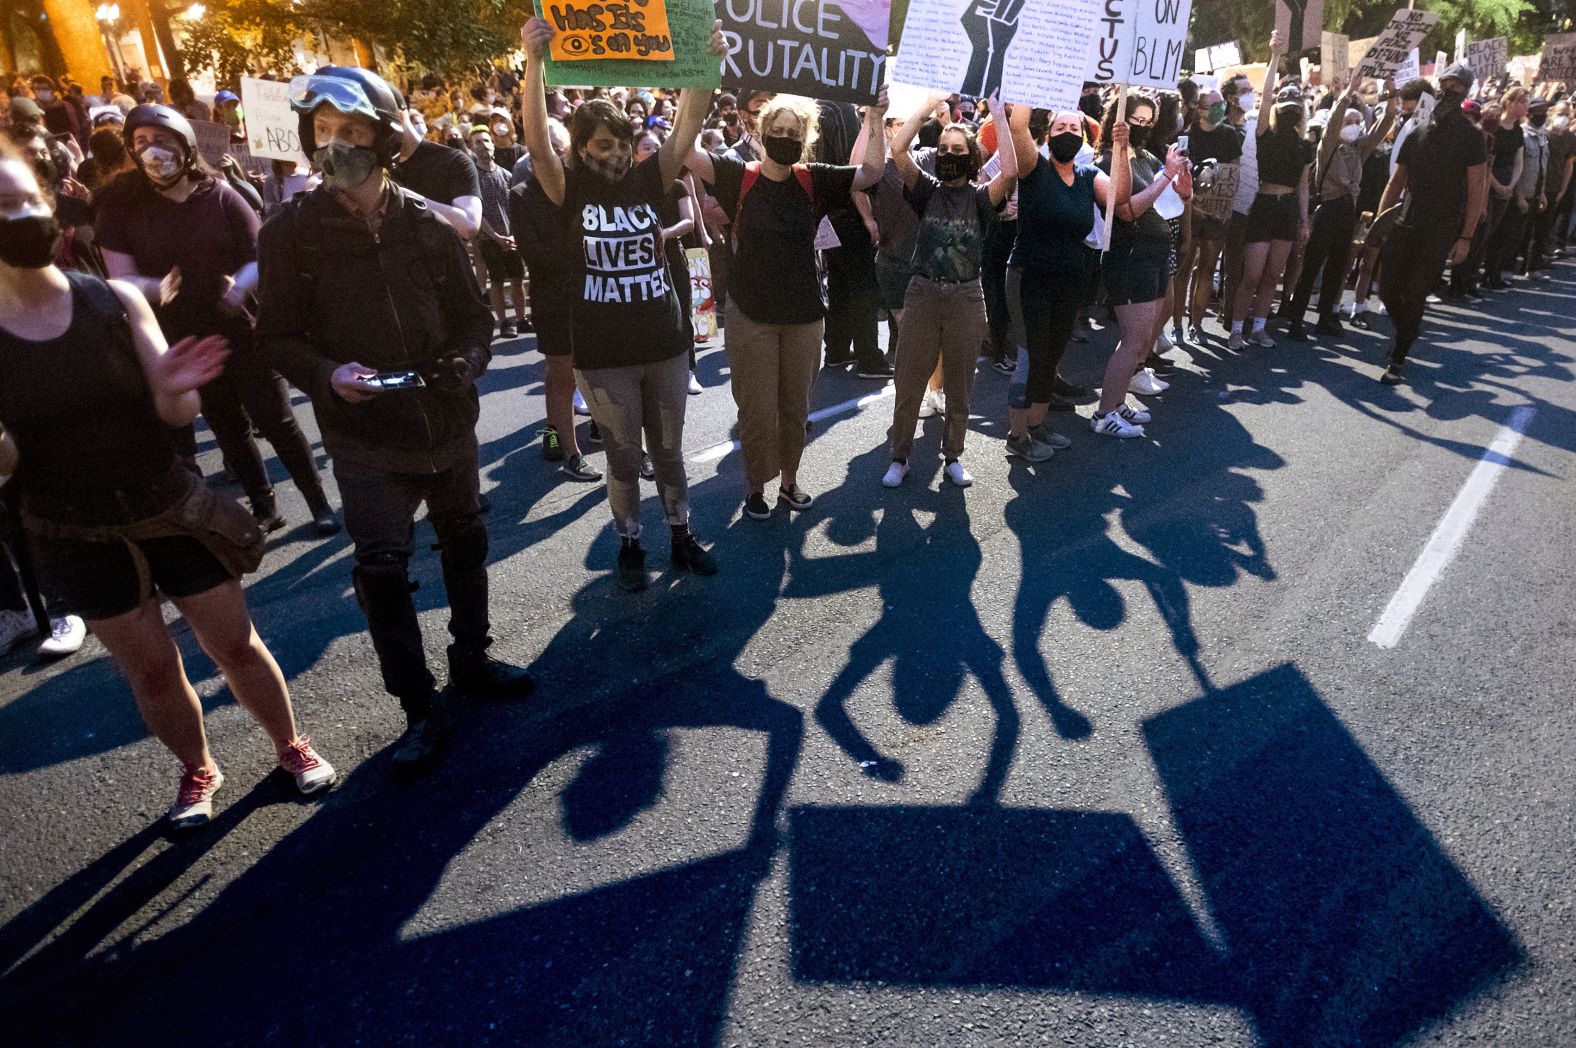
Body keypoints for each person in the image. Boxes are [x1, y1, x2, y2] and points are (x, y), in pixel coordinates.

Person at [0, 141, 336, 828]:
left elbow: (174, 410)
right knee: (151, 669)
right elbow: (6, 464)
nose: (22, 215)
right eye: (4, 207)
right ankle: (197, 769)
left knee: (234, 644)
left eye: (27, 199)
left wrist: (181, 387)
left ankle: (290, 745)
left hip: (167, 504)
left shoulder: (116, 300)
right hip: (71, 528)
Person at [258, 65, 537, 780]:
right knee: (382, 573)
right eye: (322, 132)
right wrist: (327, 376)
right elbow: (279, 338)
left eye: (351, 131)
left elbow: (476, 318)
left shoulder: (427, 222)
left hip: (444, 420)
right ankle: (417, 708)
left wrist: (469, 361)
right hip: (364, 438)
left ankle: (471, 658)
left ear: (383, 138)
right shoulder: (288, 234)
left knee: (467, 540)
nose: (336, 146)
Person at [519, 16, 724, 591]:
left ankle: (682, 536)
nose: (616, 154)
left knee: (670, 452)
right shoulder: (570, 189)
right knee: (625, 457)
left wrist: (703, 65)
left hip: (664, 344)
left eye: (624, 144)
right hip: (604, 355)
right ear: (582, 150)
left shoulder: (650, 179)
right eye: (603, 145)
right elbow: (537, 147)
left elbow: (686, 126)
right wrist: (534, 64)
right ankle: (630, 542)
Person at [96, 104, 339, 535]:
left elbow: (262, 255)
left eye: (163, 140)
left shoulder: (222, 195)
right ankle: (263, 507)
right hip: (182, 339)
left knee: (277, 420)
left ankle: (316, 500)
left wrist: (242, 283)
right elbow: (120, 279)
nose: (153, 151)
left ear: (186, 147)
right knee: (228, 427)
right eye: (141, 143)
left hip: (244, 331)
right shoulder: (119, 207)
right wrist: (156, 288)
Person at [688, 88, 889, 519]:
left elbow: (871, 171)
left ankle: (790, 482)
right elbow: (684, 152)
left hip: (803, 315)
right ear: (761, 132)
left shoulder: (813, 178)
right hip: (751, 313)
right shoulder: (735, 175)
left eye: (792, 132)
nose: (784, 137)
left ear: (806, 137)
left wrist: (875, 115)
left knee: (795, 408)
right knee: (757, 410)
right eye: (776, 130)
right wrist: (696, 87)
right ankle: (755, 487)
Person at [880, 92, 1016, 490]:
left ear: (971, 156)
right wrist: (928, 105)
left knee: (960, 384)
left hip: (966, 298)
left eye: (958, 148)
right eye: (943, 148)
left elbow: (1009, 169)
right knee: (908, 382)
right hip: (922, 293)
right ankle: (899, 456)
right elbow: (898, 148)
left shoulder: (980, 197)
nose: (949, 153)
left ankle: (953, 457)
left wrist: (996, 112)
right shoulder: (926, 190)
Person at [1002, 106, 1123, 457]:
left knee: (1052, 356)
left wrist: (1123, 148)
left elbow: (1120, 198)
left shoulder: (1088, 176)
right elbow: (1017, 124)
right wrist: (1033, 77)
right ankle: (1017, 437)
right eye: (1060, 127)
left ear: (1083, 137)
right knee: (1031, 357)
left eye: (1075, 127)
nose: (1067, 132)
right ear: (1048, 135)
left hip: (1069, 280)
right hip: (1030, 277)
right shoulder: (1034, 168)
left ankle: (1037, 427)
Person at [1376, 63, 1488, 385]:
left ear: (1466, 93)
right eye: (1445, 84)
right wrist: (1380, 221)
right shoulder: (1418, 130)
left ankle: (1398, 359)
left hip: (1440, 229)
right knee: (1387, 289)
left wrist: (1465, 237)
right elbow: (1397, 181)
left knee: (1415, 293)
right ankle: (1409, 331)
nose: (1448, 91)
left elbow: (1477, 189)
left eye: (1456, 86)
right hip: (1405, 221)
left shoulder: (1472, 137)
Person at [1094, 93, 1181, 438]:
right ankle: (1103, 414)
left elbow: (1173, 197)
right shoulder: (1107, 160)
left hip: (1154, 254)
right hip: (1130, 258)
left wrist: (1178, 176)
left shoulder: (1144, 156)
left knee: (1141, 338)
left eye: (1148, 121)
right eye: (1136, 120)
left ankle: (1116, 404)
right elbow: (1127, 210)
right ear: (1119, 120)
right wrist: (1165, 178)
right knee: (1132, 341)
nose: (1142, 127)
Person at [1285, 76, 1394, 340]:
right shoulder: (1328, 147)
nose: (1354, 126)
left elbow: (1385, 124)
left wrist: (1391, 93)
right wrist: (1348, 93)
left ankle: (1325, 317)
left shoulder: (1359, 149)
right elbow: (1334, 122)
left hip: (1348, 213)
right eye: (1350, 121)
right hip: (1327, 210)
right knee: (1311, 267)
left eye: (1358, 122)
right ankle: (1296, 319)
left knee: (1337, 267)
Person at [1227, 33, 1310, 351]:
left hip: (1287, 210)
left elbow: (1303, 187)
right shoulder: (1264, 133)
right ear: (1279, 108)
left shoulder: (1306, 146)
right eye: (1285, 106)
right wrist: (1275, 57)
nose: (1290, 111)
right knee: (1251, 275)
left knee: (1272, 275)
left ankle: (1259, 328)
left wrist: (1304, 221)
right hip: (1263, 206)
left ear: (1301, 112)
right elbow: (1263, 102)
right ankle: (1237, 330)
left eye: (1295, 107)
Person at [1181, 87, 1243, 343]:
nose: (1219, 109)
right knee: (1183, 268)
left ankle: (1196, 324)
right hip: (1191, 211)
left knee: (1207, 267)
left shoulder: (1229, 134)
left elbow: (1234, 173)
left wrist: (1224, 205)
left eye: (1221, 104)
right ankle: (1176, 324)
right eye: (1213, 105)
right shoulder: (1186, 136)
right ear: (1200, 109)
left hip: (1217, 214)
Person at [467, 125, 527, 338]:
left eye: (486, 141)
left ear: (493, 144)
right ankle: (503, 322)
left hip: (511, 238)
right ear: (472, 148)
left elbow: (515, 206)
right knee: (498, 282)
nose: (483, 146)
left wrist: (513, 235)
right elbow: (477, 211)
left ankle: (521, 319)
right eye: (477, 143)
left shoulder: (506, 174)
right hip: (489, 239)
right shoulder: (472, 178)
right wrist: (495, 236)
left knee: (518, 279)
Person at [1481, 86, 1527, 290]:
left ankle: (1493, 273)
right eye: (1521, 101)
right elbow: (1485, 162)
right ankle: (1469, 278)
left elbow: (1519, 161)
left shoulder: (1517, 130)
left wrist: (1511, 184)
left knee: (1501, 232)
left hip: (1508, 184)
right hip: (1489, 183)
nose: (1525, 106)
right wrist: (1497, 185)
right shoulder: (1495, 127)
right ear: (1509, 102)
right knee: (1484, 231)